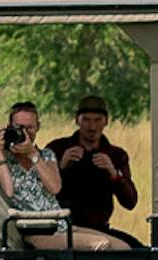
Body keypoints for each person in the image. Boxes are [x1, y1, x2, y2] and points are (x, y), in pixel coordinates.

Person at [0, 103, 126, 252]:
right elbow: (8, 192)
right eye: (19, 128)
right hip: (37, 232)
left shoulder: (46, 155)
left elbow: (55, 187)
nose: (24, 133)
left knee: (123, 248)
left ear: (38, 127)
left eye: (29, 128)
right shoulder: (4, 161)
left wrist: (32, 153)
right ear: (9, 128)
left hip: (61, 226)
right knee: (101, 244)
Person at [46, 94, 142, 250]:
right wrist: (60, 167)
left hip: (100, 229)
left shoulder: (116, 155)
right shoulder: (57, 148)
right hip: (64, 228)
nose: (92, 127)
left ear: (106, 121)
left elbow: (130, 202)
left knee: (137, 251)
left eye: (97, 120)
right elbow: (40, 192)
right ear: (77, 120)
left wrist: (113, 174)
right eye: (87, 120)